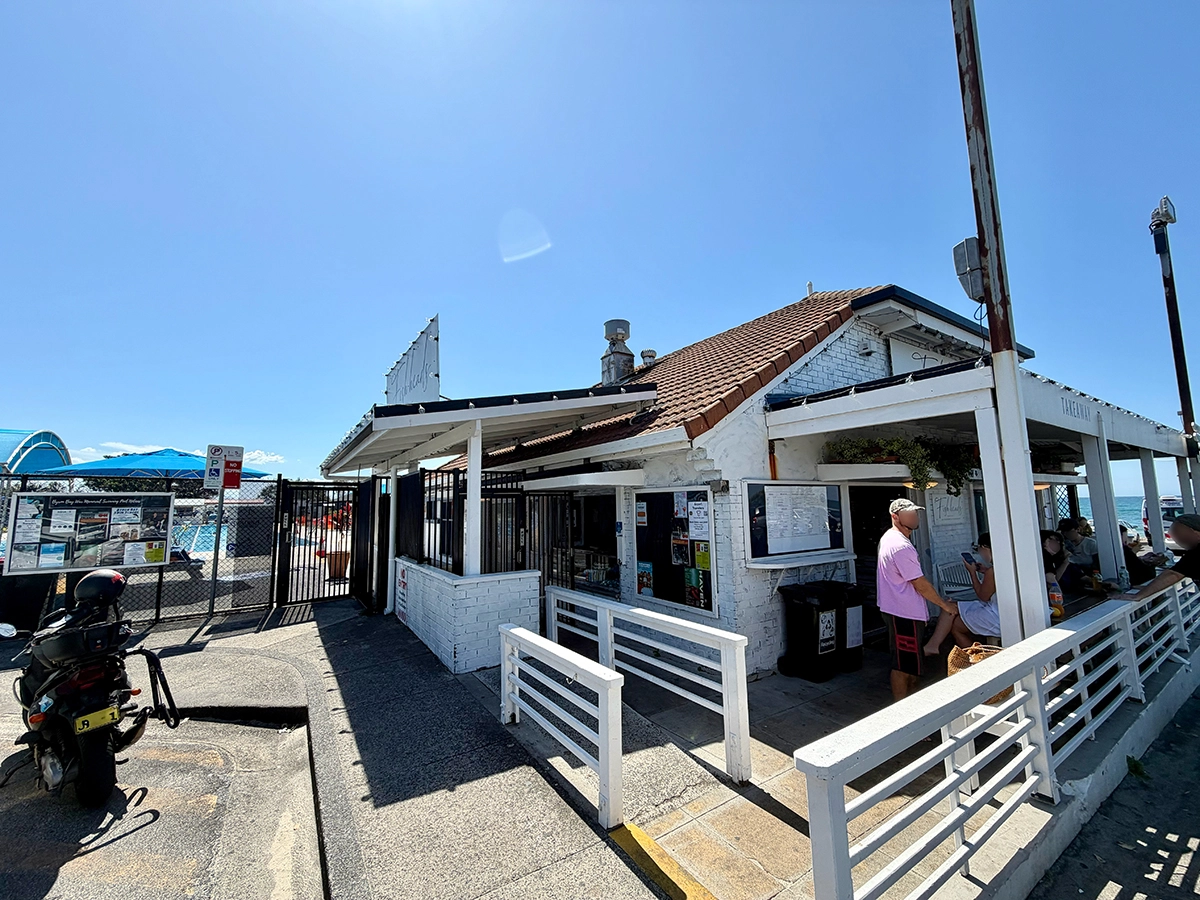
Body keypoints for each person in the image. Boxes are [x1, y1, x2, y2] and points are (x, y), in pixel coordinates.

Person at [876, 498, 958, 701]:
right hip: (903, 614)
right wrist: (944, 605)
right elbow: (919, 583)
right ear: (895, 516)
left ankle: (911, 710)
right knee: (903, 667)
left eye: (915, 513)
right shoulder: (900, 546)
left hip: (899, 611)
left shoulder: (890, 538)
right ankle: (904, 717)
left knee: (910, 664)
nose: (914, 517)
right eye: (909, 513)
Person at [924, 534, 1003, 653]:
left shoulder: (992, 572)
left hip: (997, 616)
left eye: (979, 549)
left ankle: (980, 658)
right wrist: (984, 571)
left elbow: (983, 596)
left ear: (985, 548)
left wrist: (972, 573)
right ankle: (933, 645)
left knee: (955, 625)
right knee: (951, 607)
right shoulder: (1004, 566)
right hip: (1000, 611)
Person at [1129, 514, 1200, 601]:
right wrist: (1149, 588)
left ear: (1192, 531)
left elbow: (1174, 574)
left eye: (1177, 532)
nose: (1175, 538)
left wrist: (1138, 596)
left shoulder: (1196, 553)